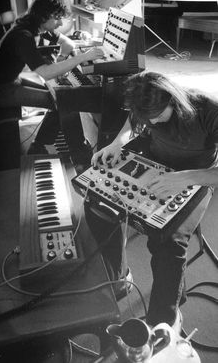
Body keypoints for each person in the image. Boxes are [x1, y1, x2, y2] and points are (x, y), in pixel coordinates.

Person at [86, 70, 218, 331]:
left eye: (157, 117)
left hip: (196, 177)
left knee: (169, 241)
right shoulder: (145, 105)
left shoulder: (210, 110)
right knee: (97, 205)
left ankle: (164, 322)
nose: (153, 124)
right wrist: (117, 143)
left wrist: (185, 178)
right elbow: (132, 123)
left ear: (173, 100)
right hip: (153, 160)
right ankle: (120, 277)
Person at [0, 0, 104, 156]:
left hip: (9, 81)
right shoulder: (23, 35)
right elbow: (46, 73)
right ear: (45, 16)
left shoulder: (34, 26)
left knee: (60, 95)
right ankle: (75, 151)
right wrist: (82, 58)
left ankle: (42, 143)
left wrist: (61, 58)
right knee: (63, 100)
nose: (60, 23)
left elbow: (68, 43)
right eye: (57, 18)